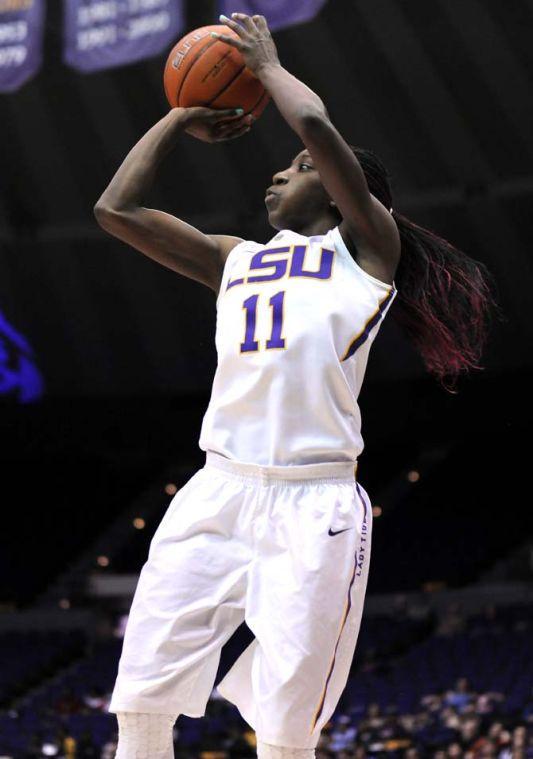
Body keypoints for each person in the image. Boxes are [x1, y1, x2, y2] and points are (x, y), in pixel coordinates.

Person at [93, 12, 494, 759]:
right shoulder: (234, 258)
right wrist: (178, 115)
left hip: (313, 505)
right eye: (284, 166)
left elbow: (309, 118)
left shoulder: (368, 255)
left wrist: (265, 64)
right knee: (141, 694)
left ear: (349, 197)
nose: (279, 171)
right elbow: (115, 210)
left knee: (283, 728)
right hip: (218, 489)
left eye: (301, 167)